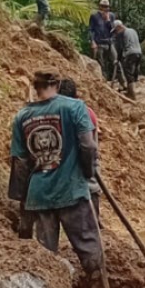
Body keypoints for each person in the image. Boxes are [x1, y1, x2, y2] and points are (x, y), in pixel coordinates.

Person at [9, 70, 112, 288]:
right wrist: (87, 172)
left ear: (36, 87)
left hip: (39, 193)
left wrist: (24, 199)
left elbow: (20, 163)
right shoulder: (75, 107)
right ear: (56, 84)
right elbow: (88, 145)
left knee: (46, 253)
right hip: (71, 189)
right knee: (88, 242)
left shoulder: (22, 117)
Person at [58, 78, 102, 223]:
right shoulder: (87, 112)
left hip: (68, 183)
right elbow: (91, 146)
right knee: (91, 233)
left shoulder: (57, 113)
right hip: (88, 181)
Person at [88, 0, 117, 82]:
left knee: (115, 61)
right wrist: (92, 41)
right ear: (99, 7)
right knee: (101, 64)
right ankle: (104, 81)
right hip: (99, 43)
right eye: (103, 6)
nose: (104, 8)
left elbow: (113, 30)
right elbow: (91, 29)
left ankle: (122, 82)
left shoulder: (111, 16)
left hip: (110, 43)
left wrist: (108, 20)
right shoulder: (94, 16)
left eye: (106, 7)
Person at [112, 20, 142, 86]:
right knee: (135, 70)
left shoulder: (121, 33)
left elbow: (120, 48)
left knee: (127, 70)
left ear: (118, 27)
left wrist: (117, 59)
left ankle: (131, 90)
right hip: (139, 52)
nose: (116, 33)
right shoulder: (132, 30)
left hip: (130, 53)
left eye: (116, 30)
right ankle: (135, 84)